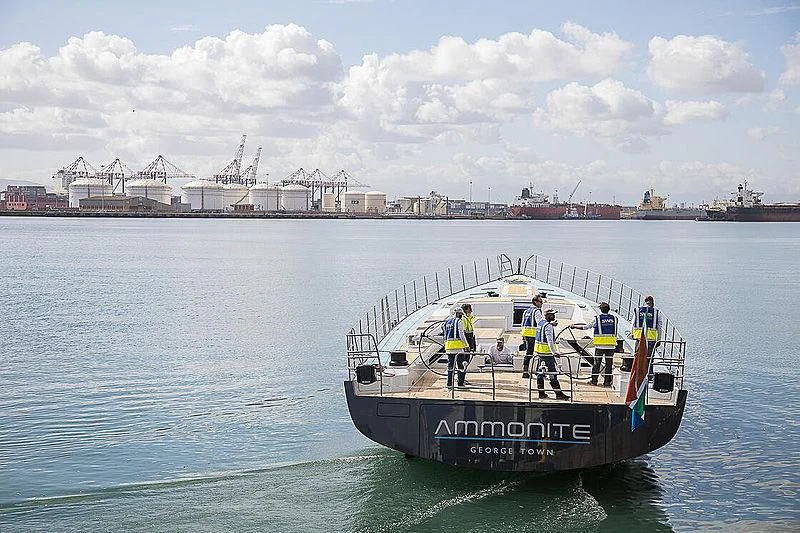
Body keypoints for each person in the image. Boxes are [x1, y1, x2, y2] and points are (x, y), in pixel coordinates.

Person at [570, 302, 617, 386]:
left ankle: (594, 381)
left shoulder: (598, 318)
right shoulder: (614, 318)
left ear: (600, 309)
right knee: (609, 364)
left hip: (600, 346)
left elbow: (586, 327)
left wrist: (574, 326)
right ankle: (607, 382)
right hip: (611, 346)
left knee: (597, 364)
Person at [534, 309, 570, 400]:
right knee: (552, 373)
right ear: (548, 315)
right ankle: (558, 394)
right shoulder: (548, 326)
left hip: (539, 352)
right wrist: (554, 353)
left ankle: (541, 393)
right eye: (553, 314)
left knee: (540, 372)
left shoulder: (541, 323)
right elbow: (549, 340)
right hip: (547, 354)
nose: (554, 316)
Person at [624, 295, 663, 373]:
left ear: (645, 302)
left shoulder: (638, 311)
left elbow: (633, 324)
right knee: (649, 358)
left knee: (638, 357)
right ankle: (649, 375)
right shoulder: (657, 312)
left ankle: (637, 373)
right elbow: (659, 327)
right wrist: (659, 340)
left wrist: (631, 334)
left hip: (639, 339)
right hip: (651, 339)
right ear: (652, 303)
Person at [443, 306, 470, 388]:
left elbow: (445, 336)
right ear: (459, 314)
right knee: (461, 366)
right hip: (458, 348)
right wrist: (467, 345)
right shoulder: (459, 321)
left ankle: (449, 384)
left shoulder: (447, 322)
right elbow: (461, 335)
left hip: (448, 347)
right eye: (461, 314)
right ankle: (460, 383)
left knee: (450, 367)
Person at [520, 294, 544, 378]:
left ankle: (525, 371)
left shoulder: (526, 311)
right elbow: (540, 323)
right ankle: (538, 371)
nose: (542, 303)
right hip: (534, 335)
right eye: (540, 302)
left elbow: (522, 323)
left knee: (529, 353)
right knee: (541, 353)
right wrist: (550, 324)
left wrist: (523, 335)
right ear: (535, 302)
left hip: (526, 335)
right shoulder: (537, 311)